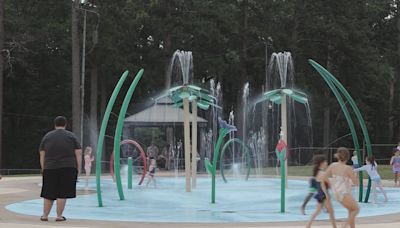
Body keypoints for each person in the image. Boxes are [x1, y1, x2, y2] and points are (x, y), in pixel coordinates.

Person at [39, 116, 82, 222]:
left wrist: (44, 168)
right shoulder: (72, 136)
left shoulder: (47, 137)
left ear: (55, 124)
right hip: (68, 167)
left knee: (48, 192)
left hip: (50, 167)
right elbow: (78, 153)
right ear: (65, 124)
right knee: (63, 192)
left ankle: (45, 215)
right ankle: (59, 216)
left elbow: (42, 154)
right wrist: (78, 168)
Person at [323, 147, 359, 228]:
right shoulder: (348, 168)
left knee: (351, 210)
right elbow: (356, 183)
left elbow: (324, 177)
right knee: (356, 209)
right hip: (344, 193)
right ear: (347, 157)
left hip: (336, 193)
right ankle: (344, 226)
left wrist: (332, 184)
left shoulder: (333, 165)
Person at [306, 155, 337, 228]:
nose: (326, 163)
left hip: (319, 194)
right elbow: (329, 184)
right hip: (324, 194)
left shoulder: (317, 173)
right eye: (325, 161)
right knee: (331, 212)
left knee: (318, 211)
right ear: (322, 163)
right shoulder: (323, 173)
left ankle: (308, 226)